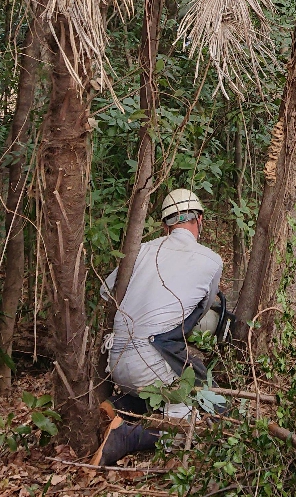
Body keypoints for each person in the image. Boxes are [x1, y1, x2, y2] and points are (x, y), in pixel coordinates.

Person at [94, 188, 223, 467]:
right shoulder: (211, 260)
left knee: (160, 393)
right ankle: (127, 436)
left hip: (116, 362)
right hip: (151, 363)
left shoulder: (139, 250)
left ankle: (119, 408)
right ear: (199, 219)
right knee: (198, 424)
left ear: (165, 226)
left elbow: (106, 292)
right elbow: (203, 308)